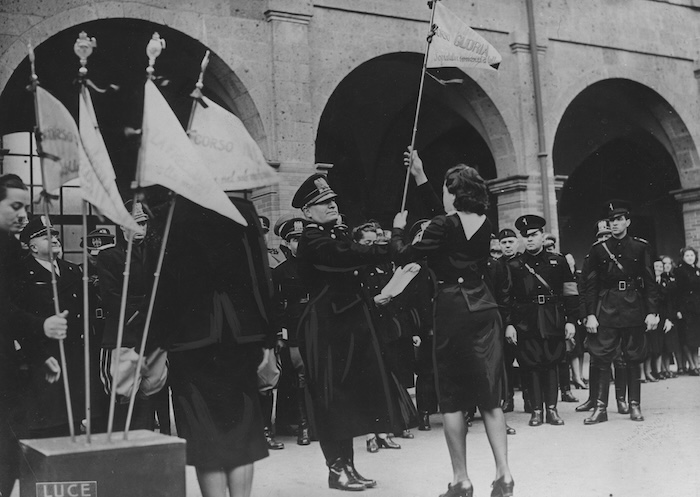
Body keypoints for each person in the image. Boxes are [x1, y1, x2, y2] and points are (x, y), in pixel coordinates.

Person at [393, 150, 514, 497]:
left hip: (452, 310)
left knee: (452, 399)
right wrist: (420, 174)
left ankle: (461, 480)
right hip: (484, 307)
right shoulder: (484, 223)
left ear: (454, 193)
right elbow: (445, 221)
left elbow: (403, 255)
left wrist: (398, 230)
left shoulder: (443, 226)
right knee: (490, 396)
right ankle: (504, 476)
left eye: (446, 189)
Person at [154, 195, 277, 497]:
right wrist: (270, 338)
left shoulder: (168, 211)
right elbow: (260, 274)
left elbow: (158, 283)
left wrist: (155, 343)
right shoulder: (241, 208)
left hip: (190, 337)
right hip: (239, 333)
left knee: (202, 431)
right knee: (242, 431)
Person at [294, 173, 404, 491]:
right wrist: (392, 238)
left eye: (332, 201)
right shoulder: (314, 240)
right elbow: (350, 257)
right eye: (321, 203)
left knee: (347, 395)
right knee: (332, 397)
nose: (331, 206)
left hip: (343, 324)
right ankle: (336, 470)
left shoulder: (331, 235)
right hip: (325, 326)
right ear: (307, 212)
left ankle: (350, 467)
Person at [0, 174, 68, 497]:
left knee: (10, 453)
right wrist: (41, 328)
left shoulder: (12, 252)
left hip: (7, 368)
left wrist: (41, 355)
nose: (23, 215)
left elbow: (13, 309)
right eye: (15, 206)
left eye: (25, 207)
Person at [582, 200, 658, 424]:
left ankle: (634, 405)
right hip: (607, 307)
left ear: (627, 222)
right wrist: (591, 314)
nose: (614, 224)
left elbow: (650, 282)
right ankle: (600, 408)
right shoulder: (598, 249)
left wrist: (652, 312)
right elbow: (591, 285)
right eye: (611, 221)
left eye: (618, 220)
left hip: (633, 306)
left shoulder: (640, 247)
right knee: (602, 357)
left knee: (633, 356)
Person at [14, 217, 89, 438]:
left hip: (75, 357)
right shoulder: (21, 273)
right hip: (43, 359)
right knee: (46, 428)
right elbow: (19, 319)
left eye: (55, 234)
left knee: (73, 425)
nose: (55, 238)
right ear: (32, 246)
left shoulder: (72, 270)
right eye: (46, 236)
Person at [97, 200, 167, 432]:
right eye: (135, 223)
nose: (141, 228)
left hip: (154, 335)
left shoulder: (156, 255)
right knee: (123, 395)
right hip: (124, 335)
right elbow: (111, 297)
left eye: (144, 223)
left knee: (151, 391)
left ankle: (146, 447)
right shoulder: (109, 256)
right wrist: (142, 315)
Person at [505, 216, 579, 427]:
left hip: (552, 317)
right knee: (532, 365)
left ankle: (552, 410)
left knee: (552, 363)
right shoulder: (514, 265)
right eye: (525, 236)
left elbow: (570, 292)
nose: (529, 240)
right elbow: (507, 297)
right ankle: (536, 410)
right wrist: (509, 324)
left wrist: (571, 320)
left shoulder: (558, 261)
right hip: (526, 320)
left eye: (534, 235)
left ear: (542, 236)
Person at [271, 216, 312, 446]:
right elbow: (277, 305)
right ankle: (303, 426)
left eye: (303, 238)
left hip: (315, 325)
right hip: (295, 329)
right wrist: (280, 333)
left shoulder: (316, 265)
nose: (300, 243)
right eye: (295, 239)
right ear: (287, 244)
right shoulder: (281, 272)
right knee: (301, 375)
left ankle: (316, 422)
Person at [674, 247, 700, 375]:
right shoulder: (679, 271)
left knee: (696, 338)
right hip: (686, 307)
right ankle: (691, 365)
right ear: (683, 258)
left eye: (692, 255)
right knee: (687, 337)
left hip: (697, 308)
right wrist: (679, 309)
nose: (690, 258)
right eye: (687, 256)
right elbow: (677, 292)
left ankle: (696, 364)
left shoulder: (697, 270)